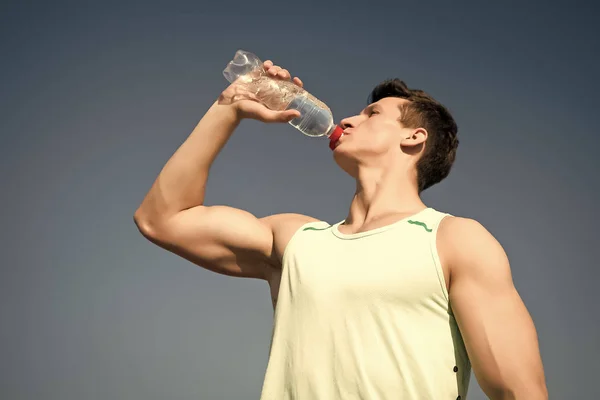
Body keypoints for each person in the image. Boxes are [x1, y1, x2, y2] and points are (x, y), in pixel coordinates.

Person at [134, 59, 548, 399]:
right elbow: (161, 219)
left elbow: (520, 390)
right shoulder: (296, 241)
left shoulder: (454, 240)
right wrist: (229, 106)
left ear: (414, 138)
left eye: (372, 114)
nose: (348, 119)